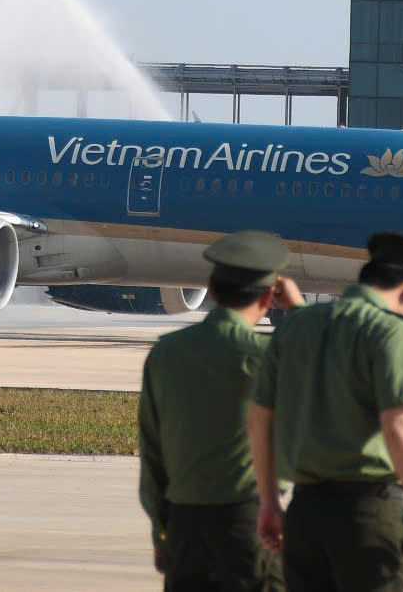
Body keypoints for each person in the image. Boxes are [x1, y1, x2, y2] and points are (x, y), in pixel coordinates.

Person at [249, 230, 403, 592]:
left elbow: (260, 420)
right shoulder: (390, 331)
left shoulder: (297, 326)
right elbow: (398, 426)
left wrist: (268, 502)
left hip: (305, 514)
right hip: (367, 514)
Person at [139, 230, 306, 592]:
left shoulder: (165, 354)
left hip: (184, 527)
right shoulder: (271, 356)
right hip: (248, 524)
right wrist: (296, 310)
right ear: (268, 298)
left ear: (212, 291)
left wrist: (161, 532)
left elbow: (152, 460)